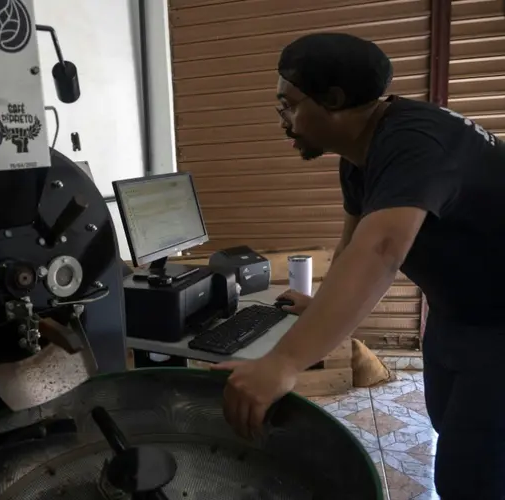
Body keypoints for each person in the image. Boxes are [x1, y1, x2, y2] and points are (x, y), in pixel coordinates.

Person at [211, 32, 505, 499]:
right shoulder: (360, 153)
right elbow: (356, 245)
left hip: (498, 326)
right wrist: (321, 305)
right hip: (458, 314)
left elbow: (383, 250)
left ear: (334, 100)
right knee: (449, 427)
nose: (283, 119)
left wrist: (284, 363)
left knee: (473, 473)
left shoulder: (417, 144)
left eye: (289, 104)